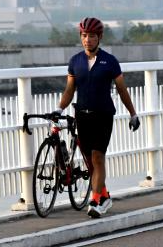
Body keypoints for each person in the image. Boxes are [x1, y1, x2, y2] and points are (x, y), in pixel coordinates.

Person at [55, 17, 139, 218]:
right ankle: (104, 196)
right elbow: (69, 90)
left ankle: (95, 200)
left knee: (98, 157)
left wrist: (133, 113)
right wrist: (59, 109)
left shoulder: (109, 61)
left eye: (92, 36)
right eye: (84, 36)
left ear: (99, 37)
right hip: (82, 116)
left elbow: (122, 90)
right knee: (90, 161)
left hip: (103, 115)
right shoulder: (75, 61)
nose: (87, 40)